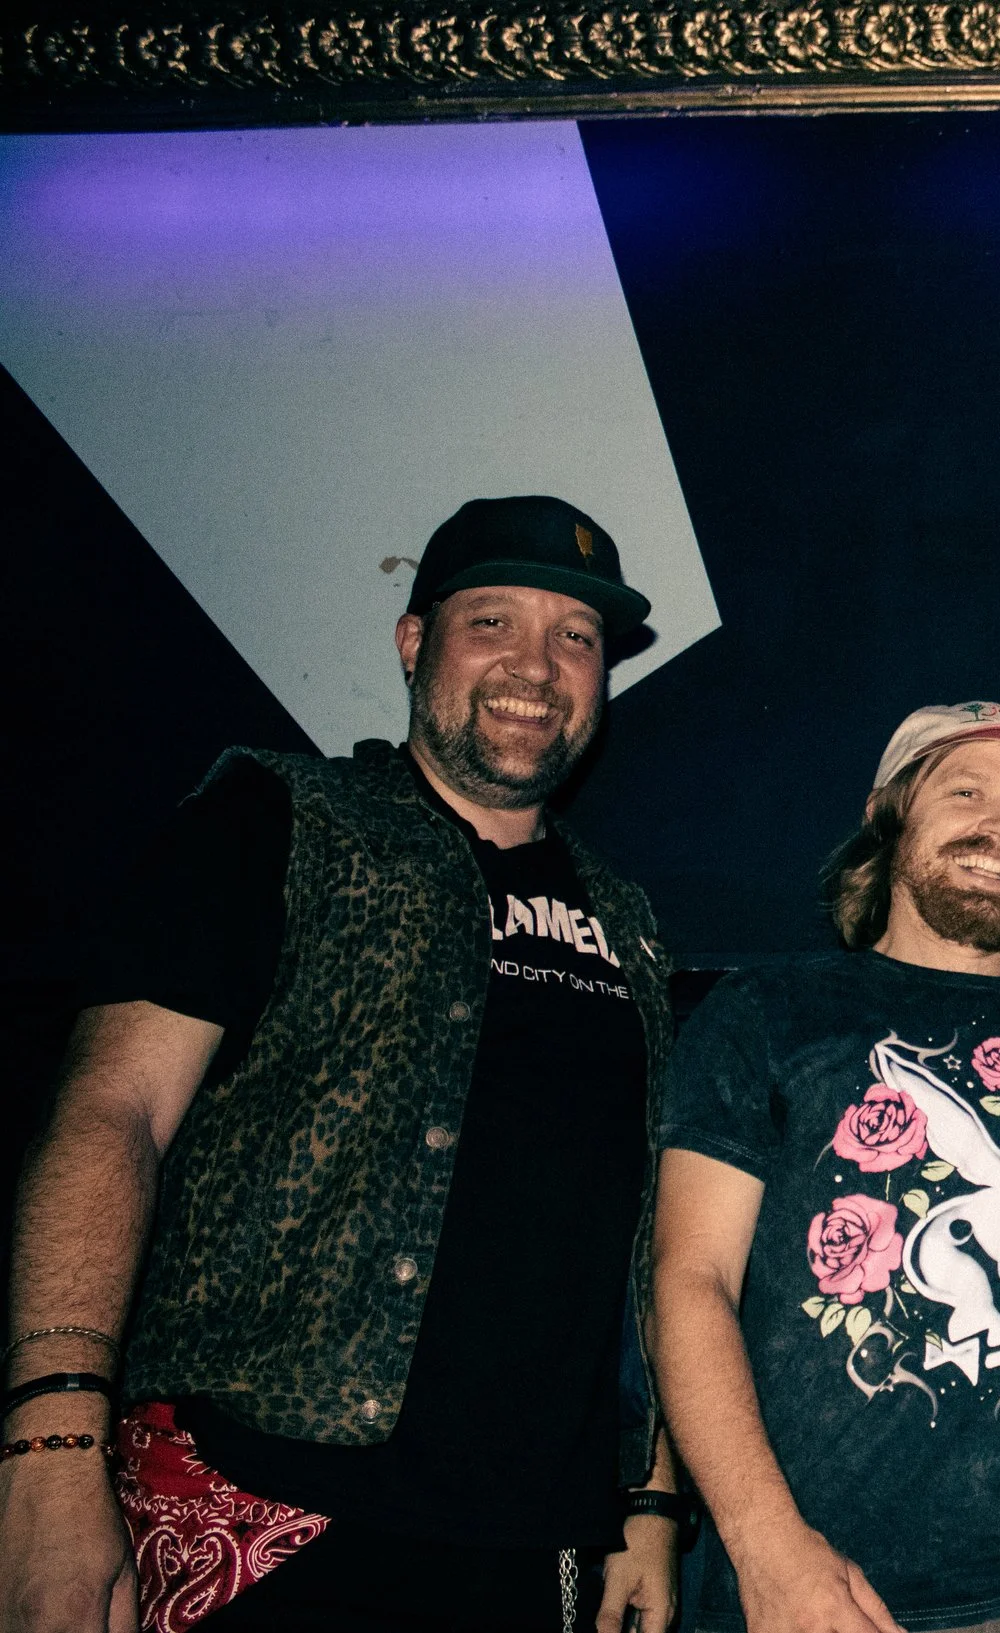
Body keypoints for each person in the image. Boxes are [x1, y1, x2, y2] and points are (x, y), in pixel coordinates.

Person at [0, 496, 688, 1633]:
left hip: (540, 1539)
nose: (538, 664)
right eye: (493, 622)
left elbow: (646, 1233)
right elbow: (109, 1115)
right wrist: (48, 1448)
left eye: (576, 636)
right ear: (415, 642)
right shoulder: (275, 817)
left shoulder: (629, 917)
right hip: (266, 1506)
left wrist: (649, 1499)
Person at [653, 702, 1000, 1633]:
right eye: (967, 791)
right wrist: (766, 1546)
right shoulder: (766, 1013)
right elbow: (689, 1280)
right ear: (888, 812)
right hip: (817, 1587)